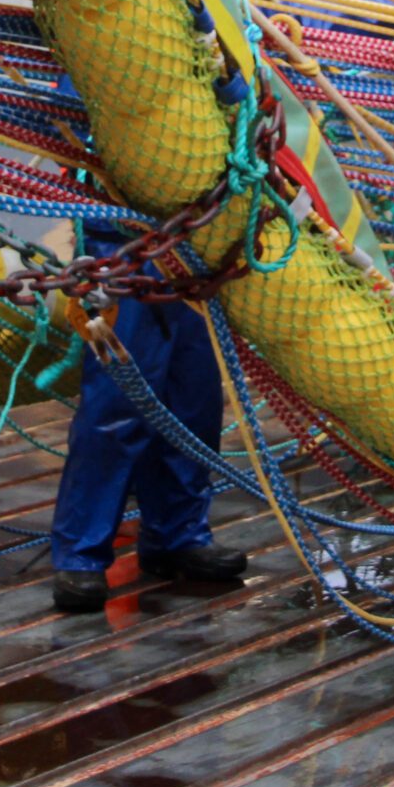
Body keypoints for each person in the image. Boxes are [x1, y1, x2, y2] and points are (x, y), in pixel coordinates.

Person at [46, 219, 249, 612]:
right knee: (116, 403)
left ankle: (179, 536)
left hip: (196, 240)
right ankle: (81, 554)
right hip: (121, 243)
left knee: (193, 395)